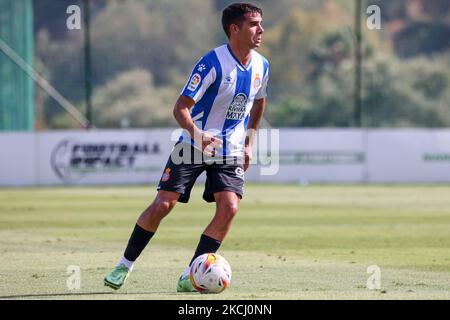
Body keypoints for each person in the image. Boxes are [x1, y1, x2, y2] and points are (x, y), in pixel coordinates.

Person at [104, 2, 269, 292]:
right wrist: (198, 133)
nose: (261, 29)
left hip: (229, 150)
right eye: (254, 24)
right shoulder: (212, 63)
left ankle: (191, 275)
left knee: (229, 208)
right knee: (162, 205)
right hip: (192, 146)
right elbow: (180, 107)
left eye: (260, 23)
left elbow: (259, 101)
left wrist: (248, 142)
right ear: (234, 29)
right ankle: (124, 265)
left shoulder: (261, 65)